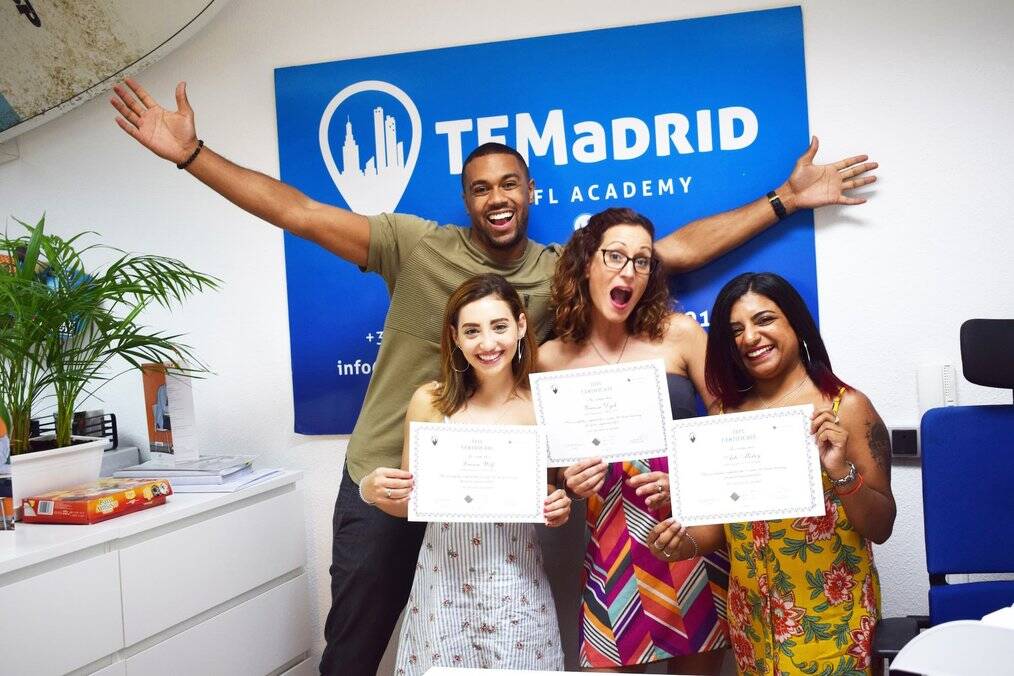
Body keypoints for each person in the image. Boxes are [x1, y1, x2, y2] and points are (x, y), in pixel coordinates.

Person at [110, 78, 878, 675]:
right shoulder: (414, 244)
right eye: (481, 187)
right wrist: (189, 154)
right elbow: (301, 211)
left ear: (530, 192)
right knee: (355, 647)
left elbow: (668, 251)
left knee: (505, 639)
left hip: (494, 508)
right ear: (466, 198)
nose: (497, 198)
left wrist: (784, 200)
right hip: (388, 476)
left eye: (510, 184)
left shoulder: (558, 273)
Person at [647, 272, 896, 675]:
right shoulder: (725, 418)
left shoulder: (844, 408)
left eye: (764, 320)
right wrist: (681, 542)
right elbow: (719, 531)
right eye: (735, 331)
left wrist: (841, 473)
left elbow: (882, 526)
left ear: (795, 324)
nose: (749, 337)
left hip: (835, 628)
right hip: (754, 631)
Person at [538, 207, 728, 674]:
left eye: (642, 261)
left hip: (688, 536)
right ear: (586, 262)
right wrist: (565, 479)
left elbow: (727, 429)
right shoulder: (547, 360)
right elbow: (541, 470)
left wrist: (684, 480)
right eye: (616, 256)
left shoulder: (679, 334)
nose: (630, 270)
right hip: (612, 551)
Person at [363, 273, 570, 673]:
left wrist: (558, 506)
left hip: (517, 591)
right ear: (455, 337)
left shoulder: (544, 407)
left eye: (499, 327)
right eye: (472, 331)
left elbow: (551, 497)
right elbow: (409, 506)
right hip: (442, 590)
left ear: (521, 325)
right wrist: (371, 490)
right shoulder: (429, 401)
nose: (488, 344)